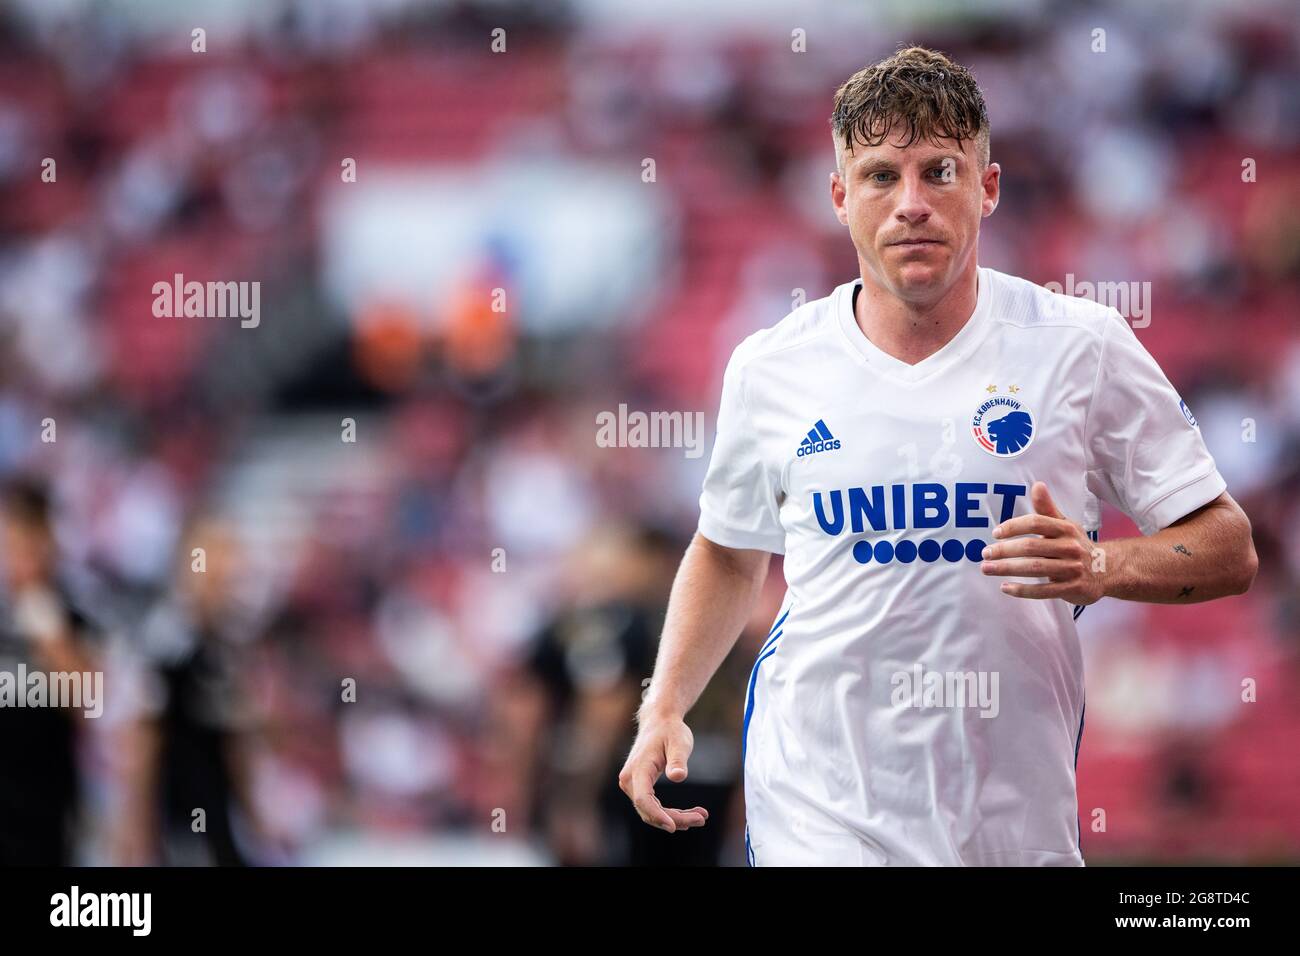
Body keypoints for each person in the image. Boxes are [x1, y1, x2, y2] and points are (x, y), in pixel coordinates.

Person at [618, 46, 1258, 866]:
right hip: (817, 802)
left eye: (941, 172)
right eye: (882, 176)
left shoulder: (1079, 346)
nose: (911, 203)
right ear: (841, 197)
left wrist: (1101, 567)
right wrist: (663, 704)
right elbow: (728, 549)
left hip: (1010, 818)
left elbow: (1229, 549)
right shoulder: (771, 365)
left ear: (988, 188)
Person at [0, 479, 98, 865]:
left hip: (47, 807)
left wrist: (47, 627)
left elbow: (87, 705)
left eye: (27, 540)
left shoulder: (72, 613)